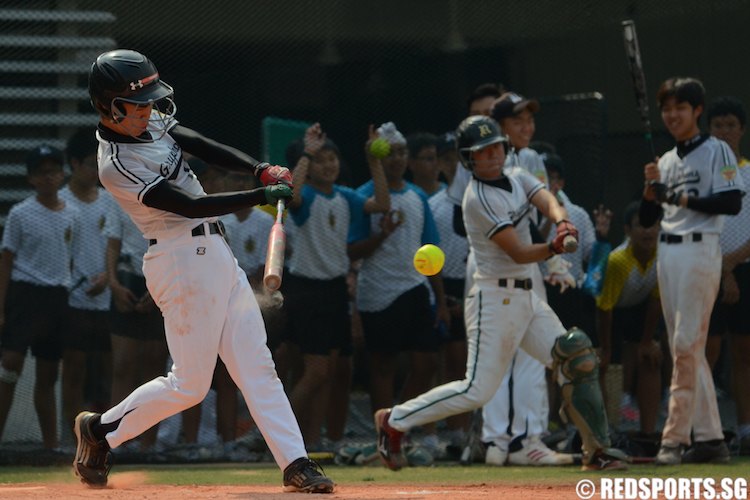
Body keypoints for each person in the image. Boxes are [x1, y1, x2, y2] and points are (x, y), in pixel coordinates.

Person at [73, 49, 334, 493]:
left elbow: (196, 142)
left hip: (215, 253)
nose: (149, 111)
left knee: (258, 366)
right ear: (108, 107)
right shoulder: (115, 165)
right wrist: (259, 195)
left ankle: (296, 463)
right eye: (138, 105)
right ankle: (100, 431)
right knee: (190, 385)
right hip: (179, 260)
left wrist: (258, 168)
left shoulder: (148, 119)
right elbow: (188, 205)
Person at [374, 115, 626, 472]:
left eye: (495, 147)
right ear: (468, 159)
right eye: (482, 151)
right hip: (493, 299)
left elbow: (548, 200)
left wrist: (562, 220)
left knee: (576, 356)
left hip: (526, 297)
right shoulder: (477, 198)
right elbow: (520, 252)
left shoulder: (518, 177)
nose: (492, 156)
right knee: (477, 390)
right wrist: (554, 248)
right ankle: (394, 420)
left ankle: (597, 451)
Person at [640, 77, 743, 465]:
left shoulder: (717, 150)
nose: (672, 115)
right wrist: (651, 189)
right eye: (667, 108)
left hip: (701, 250)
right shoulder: (665, 161)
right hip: (668, 253)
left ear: (697, 111)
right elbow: (651, 215)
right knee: (687, 348)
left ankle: (674, 439)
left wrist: (679, 196)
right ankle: (712, 439)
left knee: (684, 345)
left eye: (680, 108)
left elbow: (731, 202)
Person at [284, 122, 389, 450]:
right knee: (316, 372)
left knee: (327, 373)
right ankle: (270, 434)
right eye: (321, 159)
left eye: (332, 159)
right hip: (306, 289)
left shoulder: (345, 196)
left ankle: (313, 443)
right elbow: (292, 194)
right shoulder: (306, 197)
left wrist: (374, 160)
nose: (328, 165)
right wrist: (306, 153)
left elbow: (382, 204)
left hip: (334, 290)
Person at [349, 122, 449, 438]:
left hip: (415, 287)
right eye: (390, 153)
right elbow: (353, 248)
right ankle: (385, 434)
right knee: (382, 366)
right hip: (377, 292)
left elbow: (431, 252)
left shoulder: (418, 196)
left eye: (402, 152)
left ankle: (399, 423)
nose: (397, 159)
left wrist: (442, 302)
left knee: (427, 363)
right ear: (379, 158)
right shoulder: (363, 196)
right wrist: (382, 234)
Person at [0, 145, 79, 450]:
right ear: (31, 179)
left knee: (48, 373)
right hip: (25, 293)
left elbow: (69, 256)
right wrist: (3, 308)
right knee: (11, 364)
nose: (49, 177)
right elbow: (6, 259)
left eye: (54, 171)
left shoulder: (71, 214)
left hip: (57, 296)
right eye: (41, 172)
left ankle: (50, 446)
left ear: (62, 174)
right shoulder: (21, 213)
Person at [59, 128, 116, 446]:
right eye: (90, 165)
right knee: (75, 369)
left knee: (108, 371)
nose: (96, 172)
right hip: (73, 300)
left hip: (107, 298)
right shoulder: (61, 204)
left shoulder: (110, 201)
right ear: (73, 164)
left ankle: (105, 438)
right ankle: (70, 439)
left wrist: (108, 278)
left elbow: (116, 246)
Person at [104, 201, 168, 454]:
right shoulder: (119, 198)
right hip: (127, 279)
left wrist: (159, 291)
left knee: (155, 364)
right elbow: (112, 245)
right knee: (122, 365)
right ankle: (113, 440)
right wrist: (113, 283)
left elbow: (174, 246)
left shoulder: (166, 198)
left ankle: (148, 445)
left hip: (162, 280)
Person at [705, 96, 750, 455]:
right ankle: (707, 430)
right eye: (717, 125)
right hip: (707, 269)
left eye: (730, 125)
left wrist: (733, 265)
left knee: (744, 351)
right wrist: (721, 268)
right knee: (709, 349)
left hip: (744, 268)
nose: (724, 131)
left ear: (742, 130)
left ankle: (746, 428)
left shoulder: (749, 173)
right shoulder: (702, 176)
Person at [595, 201, 663, 436]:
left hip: (639, 307)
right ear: (627, 230)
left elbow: (657, 301)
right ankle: (603, 433)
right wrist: (605, 348)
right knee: (601, 366)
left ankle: (647, 434)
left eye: (653, 225)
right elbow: (605, 308)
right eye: (640, 226)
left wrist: (646, 342)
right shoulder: (617, 261)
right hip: (607, 311)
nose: (647, 231)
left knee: (651, 357)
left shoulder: (664, 255)